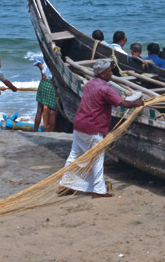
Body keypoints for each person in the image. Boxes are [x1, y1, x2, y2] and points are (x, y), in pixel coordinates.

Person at [58, 60, 143, 198]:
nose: (111, 73)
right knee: (97, 158)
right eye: (109, 71)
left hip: (79, 124)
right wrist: (138, 103)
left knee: (74, 154)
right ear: (102, 74)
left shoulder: (90, 83)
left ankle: (66, 184)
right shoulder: (105, 89)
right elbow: (124, 104)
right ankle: (98, 190)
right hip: (93, 127)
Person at [33, 56, 57, 131]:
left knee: (39, 109)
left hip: (43, 83)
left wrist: (42, 71)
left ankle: (35, 130)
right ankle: (49, 131)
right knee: (52, 111)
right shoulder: (57, 61)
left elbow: (36, 58)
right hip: (51, 84)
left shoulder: (47, 57)